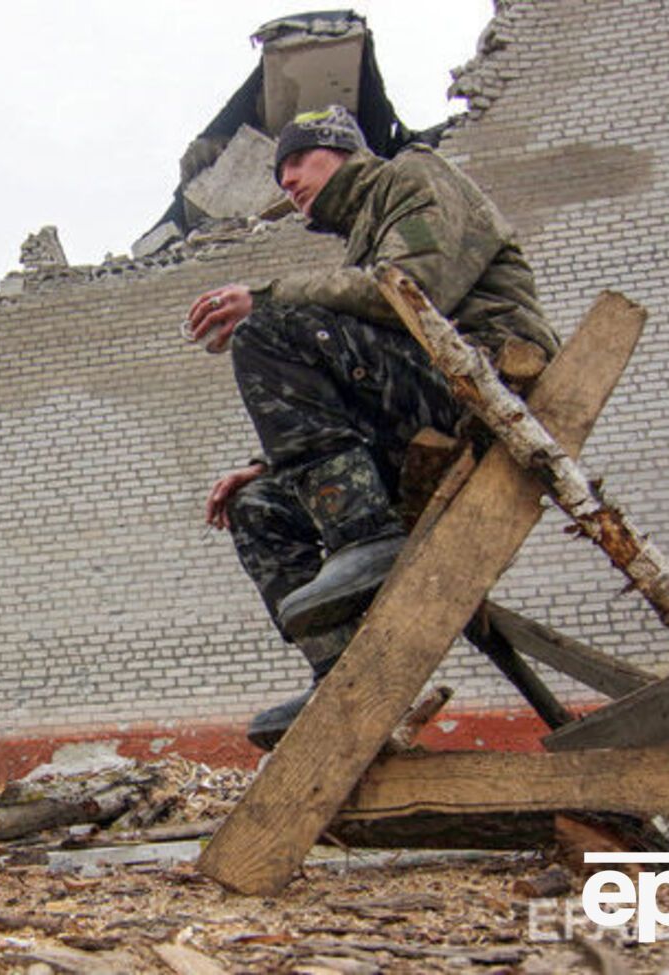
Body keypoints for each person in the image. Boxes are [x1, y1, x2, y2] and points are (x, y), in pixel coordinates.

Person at [185, 105, 560, 750]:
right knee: (257, 507)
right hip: (426, 402)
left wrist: (269, 297)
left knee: (268, 329)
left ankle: (365, 537)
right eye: (279, 173)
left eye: (298, 160)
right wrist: (268, 467)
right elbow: (358, 387)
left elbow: (413, 291)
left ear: (341, 150)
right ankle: (344, 679)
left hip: (483, 384)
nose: (288, 181)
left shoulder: (415, 176)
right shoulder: (361, 237)